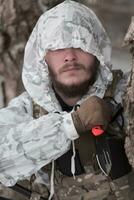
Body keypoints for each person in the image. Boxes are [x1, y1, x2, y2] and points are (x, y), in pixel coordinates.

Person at [0, 1, 133, 200]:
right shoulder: (28, 109)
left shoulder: (125, 93)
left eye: (81, 43)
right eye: (57, 47)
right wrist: (71, 125)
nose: (70, 56)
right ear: (42, 58)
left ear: (96, 50)